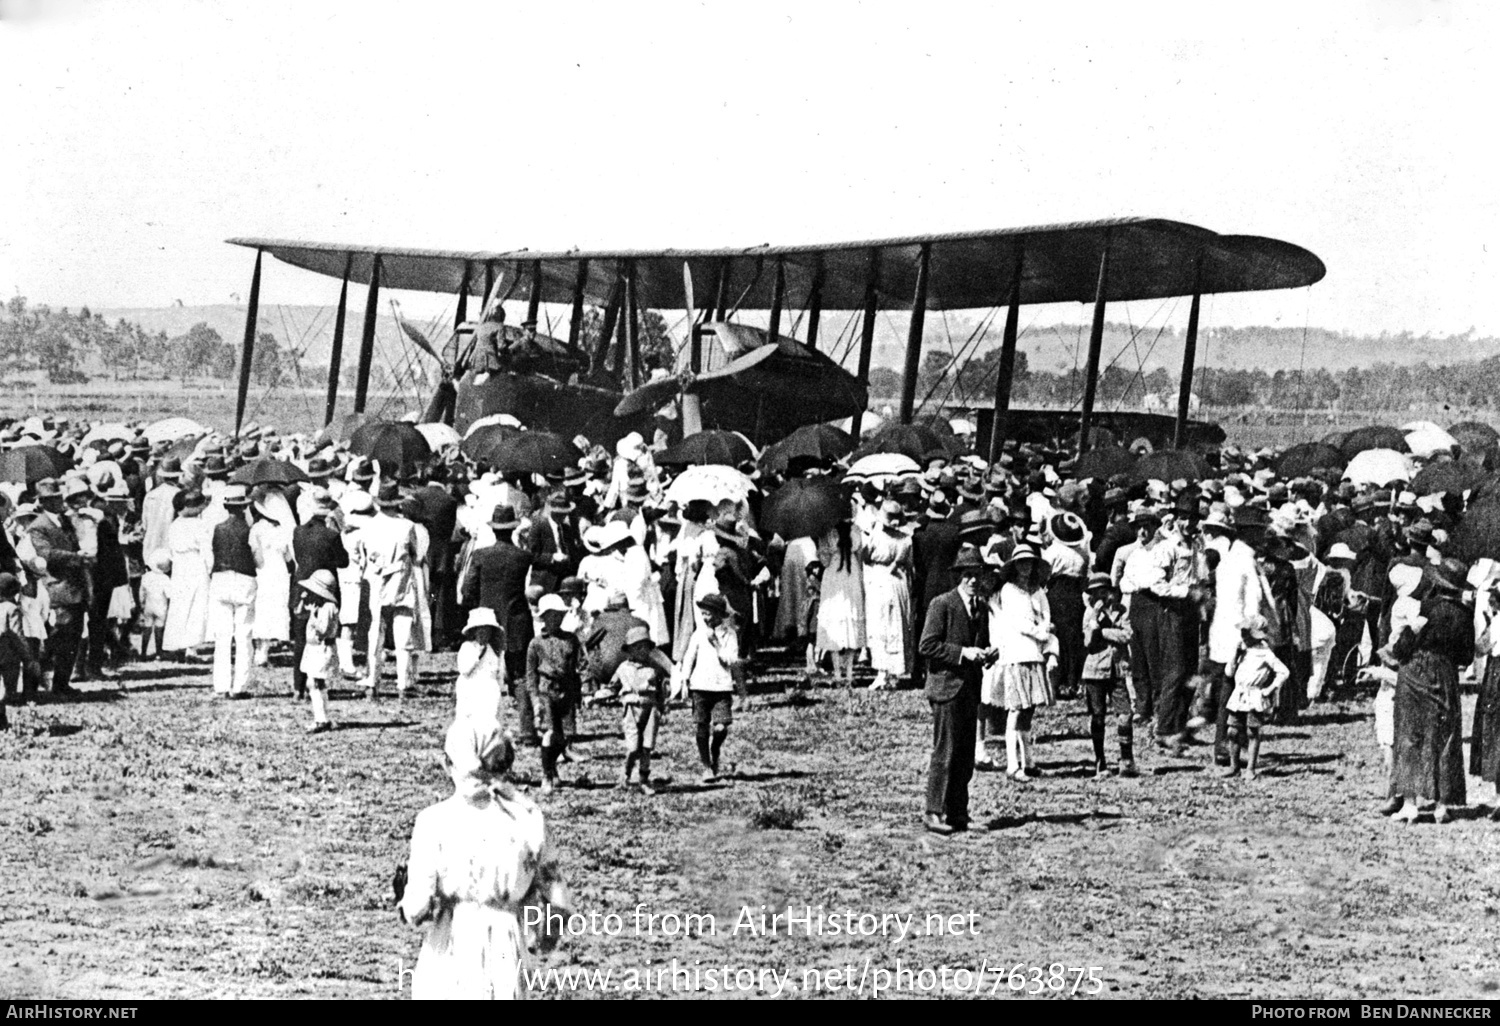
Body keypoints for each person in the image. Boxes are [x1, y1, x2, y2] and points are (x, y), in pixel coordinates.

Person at [396, 719, 569, 1000]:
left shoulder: (434, 820)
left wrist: (405, 903)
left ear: (450, 763)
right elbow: (557, 902)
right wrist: (539, 941)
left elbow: (418, 908)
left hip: (451, 944)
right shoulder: (528, 817)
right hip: (507, 947)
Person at [1381, 558, 1472, 823]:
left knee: (1410, 734)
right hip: (1445, 672)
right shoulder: (1464, 615)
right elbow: (1466, 656)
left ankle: (1410, 803)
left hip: (1415, 669)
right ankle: (1441, 804)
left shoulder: (1423, 608)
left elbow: (1404, 645)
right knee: (1444, 735)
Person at [918, 549, 993, 835]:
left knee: (964, 754)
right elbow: (927, 646)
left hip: (969, 688)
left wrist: (987, 654)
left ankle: (958, 812)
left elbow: (979, 644)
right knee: (945, 752)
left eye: (978, 575)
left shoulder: (981, 607)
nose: (974, 580)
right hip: (946, 686)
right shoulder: (942, 604)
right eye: (968, 575)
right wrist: (963, 653)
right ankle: (933, 811)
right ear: (958, 576)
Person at [462, 505, 538, 745]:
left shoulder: (481, 555)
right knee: (520, 675)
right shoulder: (523, 557)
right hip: (517, 619)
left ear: (494, 530)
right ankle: (527, 730)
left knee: (485, 675)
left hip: (487, 621)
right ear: (513, 529)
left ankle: (484, 731)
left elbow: (467, 590)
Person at [985, 542, 1054, 781]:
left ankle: (1029, 762)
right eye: (1021, 562)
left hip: (1034, 653)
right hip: (1016, 652)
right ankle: (1013, 766)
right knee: (1015, 709)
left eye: (1030, 562)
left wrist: (1044, 630)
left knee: (1028, 710)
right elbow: (1017, 622)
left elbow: (1046, 615)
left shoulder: (1038, 590)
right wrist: (1039, 632)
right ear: (1014, 566)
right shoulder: (1009, 590)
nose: (1026, 566)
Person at [362, 484, 421, 699]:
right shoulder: (406, 526)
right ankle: (404, 683)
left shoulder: (368, 526)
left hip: (377, 580)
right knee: (403, 634)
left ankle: (372, 682)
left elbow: (363, 555)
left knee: (375, 632)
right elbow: (416, 554)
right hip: (401, 581)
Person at [676, 593, 743, 783]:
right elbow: (689, 657)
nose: (705, 618)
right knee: (701, 727)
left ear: (718, 614)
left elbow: (731, 660)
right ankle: (706, 766)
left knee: (721, 727)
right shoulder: (698, 634)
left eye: (709, 614)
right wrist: (684, 680)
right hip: (700, 686)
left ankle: (715, 750)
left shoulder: (729, 635)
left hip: (721, 687)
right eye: (703, 614)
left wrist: (716, 644)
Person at [291, 489, 349, 700]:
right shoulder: (331, 535)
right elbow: (343, 561)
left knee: (300, 638)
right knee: (321, 638)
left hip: (302, 587)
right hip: (325, 589)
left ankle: (298, 688)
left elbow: (298, 556)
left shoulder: (298, 532)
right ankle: (316, 683)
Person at [526, 594, 583, 794]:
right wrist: (535, 700)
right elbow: (530, 675)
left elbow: (578, 667)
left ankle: (554, 768)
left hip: (566, 691)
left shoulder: (571, 640)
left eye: (558, 615)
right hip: (545, 691)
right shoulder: (536, 643)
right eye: (550, 616)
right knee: (549, 734)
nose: (555, 620)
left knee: (564, 736)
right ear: (543, 618)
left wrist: (579, 693)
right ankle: (547, 774)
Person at [1082, 573, 1137, 778]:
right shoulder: (1089, 614)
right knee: (1097, 716)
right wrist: (1096, 620)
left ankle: (1126, 759)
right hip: (1095, 670)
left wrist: (1103, 632)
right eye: (1096, 593)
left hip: (1117, 668)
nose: (1101, 596)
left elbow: (1127, 635)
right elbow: (1088, 642)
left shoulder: (1121, 611)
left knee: (1125, 714)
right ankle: (1100, 761)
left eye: (1104, 592)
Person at [1223, 614, 1290, 779]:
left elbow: (1283, 671)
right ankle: (1234, 765)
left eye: (1247, 633)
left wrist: (1271, 688)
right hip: (1239, 694)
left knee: (1252, 731)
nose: (1243, 636)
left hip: (1254, 695)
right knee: (1232, 730)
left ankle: (1250, 768)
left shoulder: (1265, 653)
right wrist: (1235, 655)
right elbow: (1229, 673)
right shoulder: (1242, 650)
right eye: (1243, 632)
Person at [208, 484, 257, 698]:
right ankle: (239, 686)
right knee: (244, 634)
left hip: (221, 577)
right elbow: (259, 560)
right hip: (244, 579)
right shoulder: (250, 531)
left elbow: (212, 555)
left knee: (222, 635)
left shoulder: (218, 529)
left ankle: (221, 685)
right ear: (244, 507)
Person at [860, 500, 914, 691]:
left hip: (880, 580)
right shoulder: (906, 539)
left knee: (881, 623)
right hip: (898, 581)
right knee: (897, 624)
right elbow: (909, 564)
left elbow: (865, 557)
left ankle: (883, 673)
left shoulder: (876, 535)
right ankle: (895, 671)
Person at [613, 624, 668, 794]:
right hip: (631, 709)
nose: (642, 651)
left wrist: (663, 708)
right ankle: (626, 774)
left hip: (650, 709)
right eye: (637, 647)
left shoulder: (654, 669)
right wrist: (595, 696)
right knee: (632, 747)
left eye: (645, 647)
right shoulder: (623, 668)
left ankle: (644, 780)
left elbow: (661, 691)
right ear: (629, 650)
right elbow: (612, 686)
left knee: (646, 746)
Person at [163, 489, 213, 657]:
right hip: (196, 565)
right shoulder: (199, 525)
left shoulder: (174, 524)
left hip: (179, 566)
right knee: (197, 605)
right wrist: (210, 568)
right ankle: (191, 646)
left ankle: (175, 642)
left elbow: (170, 550)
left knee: (179, 603)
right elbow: (207, 550)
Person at [815, 519, 865, 686]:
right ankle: (849, 673)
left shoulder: (826, 532)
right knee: (851, 620)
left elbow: (825, 562)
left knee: (834, 621)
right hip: (852, 574)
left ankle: (837, 674)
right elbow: (860, 555)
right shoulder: (855, 530)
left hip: (834, 577)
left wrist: (820, 550)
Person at [249, 490, 294, 667]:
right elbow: (289, 557)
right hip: (279, 570)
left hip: (263, 569)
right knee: (275, 607)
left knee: (261, 608)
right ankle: (264, 650)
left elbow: (254, 553)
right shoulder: (282, 530)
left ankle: (260, 650)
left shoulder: (256, 529)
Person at [296, 569, 340, 734]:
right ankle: (321, 718)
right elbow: (298, 614)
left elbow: (323, 630)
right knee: (314, 683)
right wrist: (302, 600)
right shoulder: (318, 604)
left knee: (314, 682)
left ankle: (321, 719)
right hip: (313, 648)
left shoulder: (328, 607)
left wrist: (313, 616)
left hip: (322, 648)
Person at [455, 607, 506, 734]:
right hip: (471, 688)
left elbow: (496, 673)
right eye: (480, 630)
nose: (484, 633)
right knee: (469, 724)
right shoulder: (467, 647)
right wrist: (477, 655)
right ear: (474, 631)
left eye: (487, 630)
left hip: (488, 691)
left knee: (489, 723)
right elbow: (464, 669)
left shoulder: (492, 651)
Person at [0, 572, 24, 729]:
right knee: (7, 690)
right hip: (7, 655)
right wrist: (28, 657)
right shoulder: (11, 609)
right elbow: (18, 636)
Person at [137, 549, 171, 660]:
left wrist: (141, 603)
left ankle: (143, 652)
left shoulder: (146, 577)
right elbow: (169, 594)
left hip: (148, 605)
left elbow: (142, 591)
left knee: (147, 627)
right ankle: (158, 652)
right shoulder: (165, 579)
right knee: (159, 628)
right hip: (161, 606)